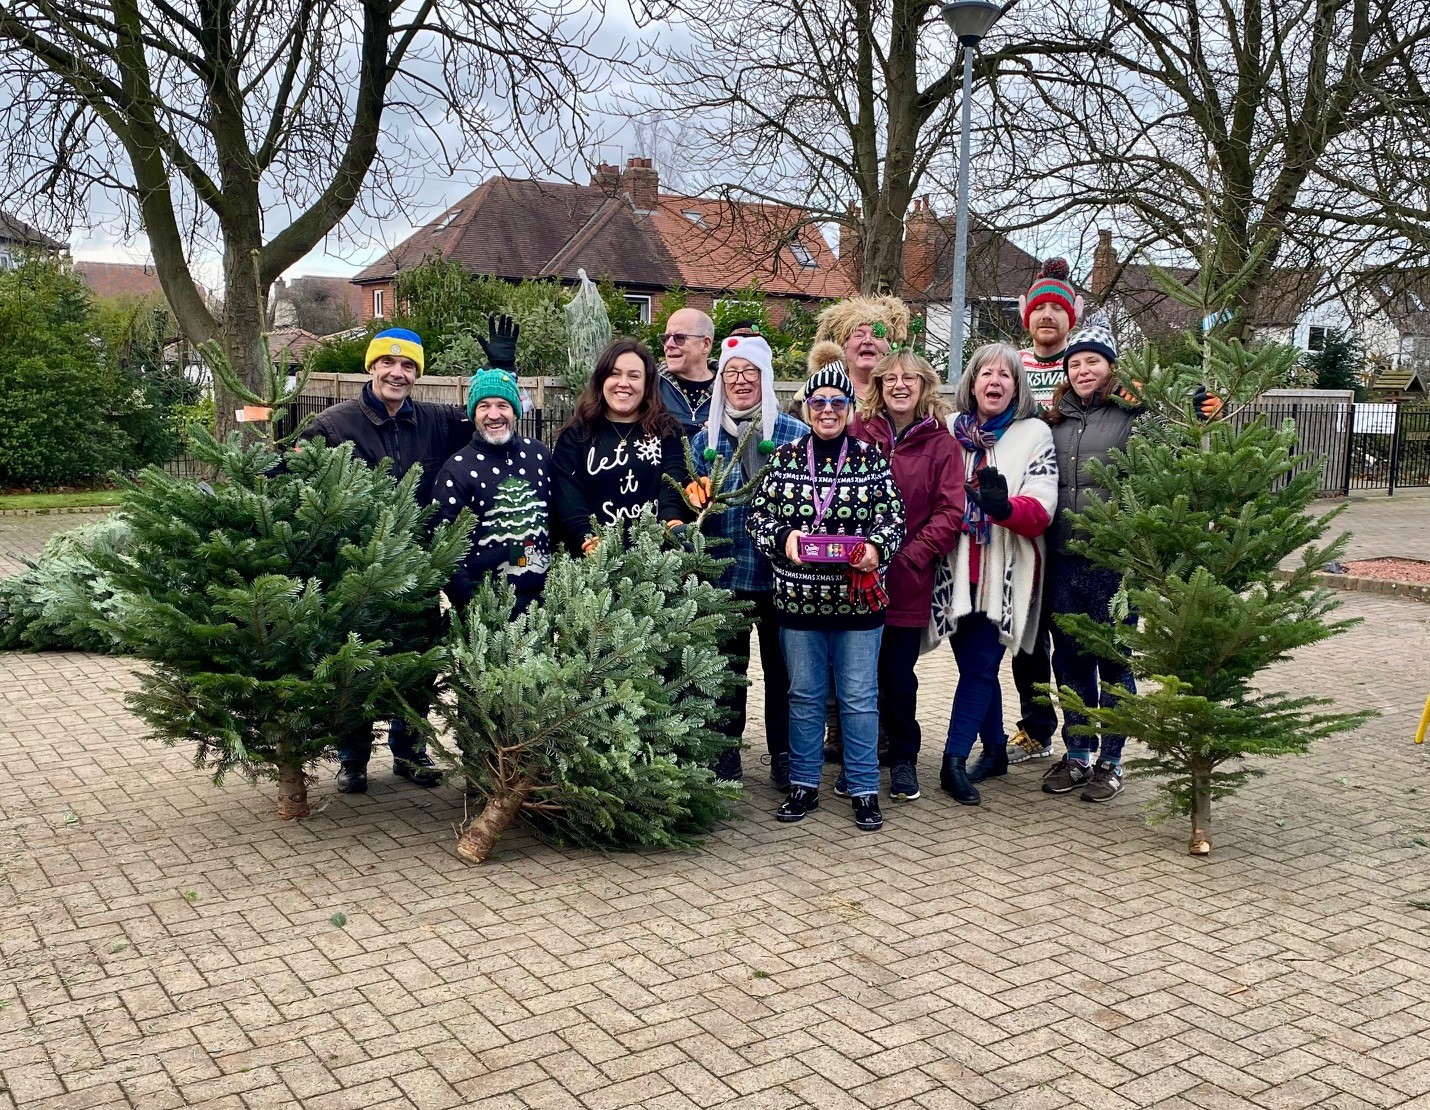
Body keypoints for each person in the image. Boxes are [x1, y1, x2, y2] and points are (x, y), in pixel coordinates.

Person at [300, 321, 514, 794]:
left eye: (407, 365)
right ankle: (352, 757)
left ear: (416, 373)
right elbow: (296, 472)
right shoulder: (335, 426)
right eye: (387, 362)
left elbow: (492, 417)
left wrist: (502, 370)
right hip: (358, 571)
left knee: (416, 660)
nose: (396, 373)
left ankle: (410, 751)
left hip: (419, 568)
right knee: (354, 661)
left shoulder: (438, 422)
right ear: (371, 366)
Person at [747, 363, 905, 832]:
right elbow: (759, 518)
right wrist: (785, 539)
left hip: (858, 604)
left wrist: (877, 547)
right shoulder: (787, 457)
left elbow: (893, 517)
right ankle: (803, 785)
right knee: (804, 696)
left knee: (858, 697)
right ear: (807, 408)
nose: (829, 410)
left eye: (838, 402)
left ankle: (863, 788)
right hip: (798, 604)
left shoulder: (870, 458)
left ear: (850, 409)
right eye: (820, 402)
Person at [928, 344, 1058, 805]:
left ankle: (953, 760)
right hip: (957, 569)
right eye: (986, 372)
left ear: (1017, 386)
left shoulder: (1033, 433)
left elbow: (1042, 505)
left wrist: (1004, 507)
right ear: (972, 382)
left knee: (981, 666)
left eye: (1006, 374)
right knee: (972, 667)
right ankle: (998, 749)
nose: (995, 381)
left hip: (1004, 568)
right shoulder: (949, 432)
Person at [689, 335, 808, 787]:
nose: (740, 381)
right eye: (731, 374)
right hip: (726, 572)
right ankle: (725, 753)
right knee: (728, 671)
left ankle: (783, 752)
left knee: (783, 672)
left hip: (782, 574)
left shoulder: (795, 436)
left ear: (765, 377)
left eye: (749, 372)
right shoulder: (705, 439)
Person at [849, 350, 963, 803]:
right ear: (877, 384)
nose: (899, 385)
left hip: (904, 581)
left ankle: (903, 760)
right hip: (853, 579)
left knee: (897, 678)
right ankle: (861, 761)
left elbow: (950, 511)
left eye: (909, 378)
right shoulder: (858, 432)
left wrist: (910, 556)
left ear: (924, 386)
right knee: (858, 679)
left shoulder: (941, 444)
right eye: (890, 378)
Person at [1040, 311, 1141, 803]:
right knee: (1071, 659)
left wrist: (1198, 409)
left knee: (1114, 659)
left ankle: (1113, 761)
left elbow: (1177, 443)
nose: (1083, 370)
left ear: (1110, 367)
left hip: (1113, 563)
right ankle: (1077, 752)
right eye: (1075, 363)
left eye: (1093, 362)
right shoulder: (1053, 421)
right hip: (1063, 558)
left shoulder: (1132, 416)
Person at [1007, 259, 1084, 766]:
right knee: (1026, 638)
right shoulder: (1011, 366)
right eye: (1041, 308)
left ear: (1071, 317)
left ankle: (1084, 739)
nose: (1048, 317)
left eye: (1058, 308)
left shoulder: (1085, 365)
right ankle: (1036, 729)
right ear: (1027, 317)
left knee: (1073, 639)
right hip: (1022, 520)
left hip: (1073, 522)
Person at [432, 368, 551, 616]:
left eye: (502, 405)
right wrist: (476, 603)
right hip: (486, 609)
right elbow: (443, 547)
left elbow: (557, 520)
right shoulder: (457, 470)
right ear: (473, 413)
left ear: (515, 410)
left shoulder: (538, 455)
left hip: (546, 603)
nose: (494, 415)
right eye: (484, 406)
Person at [552, 337, 687, 554]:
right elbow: (567, 493)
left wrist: (672, 523)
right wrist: (587, 539)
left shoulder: (667, 430)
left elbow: (673, 480)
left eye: (634, 376)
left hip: (655, 559)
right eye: (614, 374)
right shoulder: (577, 433)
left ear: (647, 384)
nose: (623, 383)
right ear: (601, 379)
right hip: (592, 562)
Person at [803, 294, 911, 402]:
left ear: (889, 346)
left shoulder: (904, 396)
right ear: (843, 347)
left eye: (876, 335)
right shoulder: (816, 393)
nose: (867, 341)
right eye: (859, 335)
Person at [656, 307, 718, 437]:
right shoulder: (650, 385)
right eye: (666, 338)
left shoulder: (729, 387)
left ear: (705, 345)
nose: (669, 345)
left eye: (679, 338)